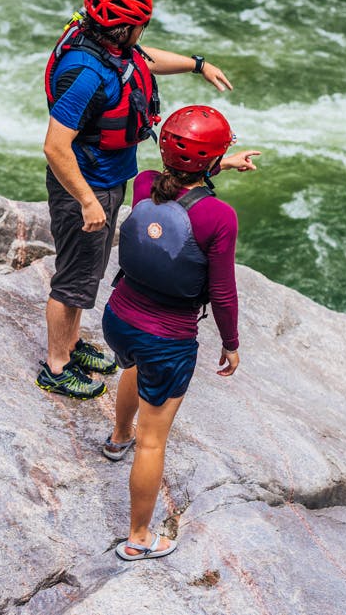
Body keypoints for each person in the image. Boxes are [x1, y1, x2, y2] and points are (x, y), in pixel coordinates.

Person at [38, 0, 253, 400]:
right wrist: (86, 201)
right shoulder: (85, 74)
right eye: (142, 24)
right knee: (73, 280)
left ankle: (72, 343)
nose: (143, 32)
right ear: (125, 26)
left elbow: (144, 59)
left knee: (88, 274)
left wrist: (198, 65)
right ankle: (56, 365)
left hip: (107, 176)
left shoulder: (107, 45)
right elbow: (55, 146)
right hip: (88, 184)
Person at [101, 105, 243, 560]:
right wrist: (232, 343)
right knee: (154, 440)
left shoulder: (144, 183)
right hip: (167, 338)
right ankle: (139, 538)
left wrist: (219, 163)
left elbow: (176, 189)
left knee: (132, 366)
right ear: (212, 162)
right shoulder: (220, 217)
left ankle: (116, 437)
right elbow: (222, 293)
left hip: (118, 318)